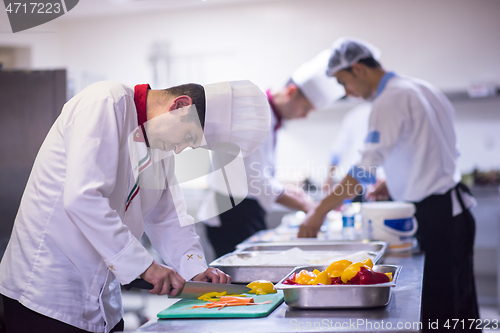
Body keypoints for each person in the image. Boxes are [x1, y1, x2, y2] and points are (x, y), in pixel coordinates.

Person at [0, 79, 271, 333]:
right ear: (179, 106)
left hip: (103, 301)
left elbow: (168, 218)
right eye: (189, 137)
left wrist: (195, 269)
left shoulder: (159, 147)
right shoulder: (106, 103)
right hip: (45, 294)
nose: (179, 150)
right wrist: (147, 266)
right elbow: (83, 198)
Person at [298, 37, 480, 331]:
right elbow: (437, 151)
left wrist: (318, 212)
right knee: (460, 307)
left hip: (439, 214)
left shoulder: (389, 100)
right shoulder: (422, 88)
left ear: (358, 69)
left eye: (344, 83)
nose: (348, 93)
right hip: (455, 211)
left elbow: (363, 170)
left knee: (441, 311)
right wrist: (393, 180)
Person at [200, 50, 344, 258]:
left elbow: (258, 173)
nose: (304, 116)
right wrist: (306, 205)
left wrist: (289, 190)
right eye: (305, 108)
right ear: (291, 92)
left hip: (244, 209)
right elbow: (254, 180)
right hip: (231, 213)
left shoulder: (269, 117)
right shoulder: (255, 114)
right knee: (242, 287)